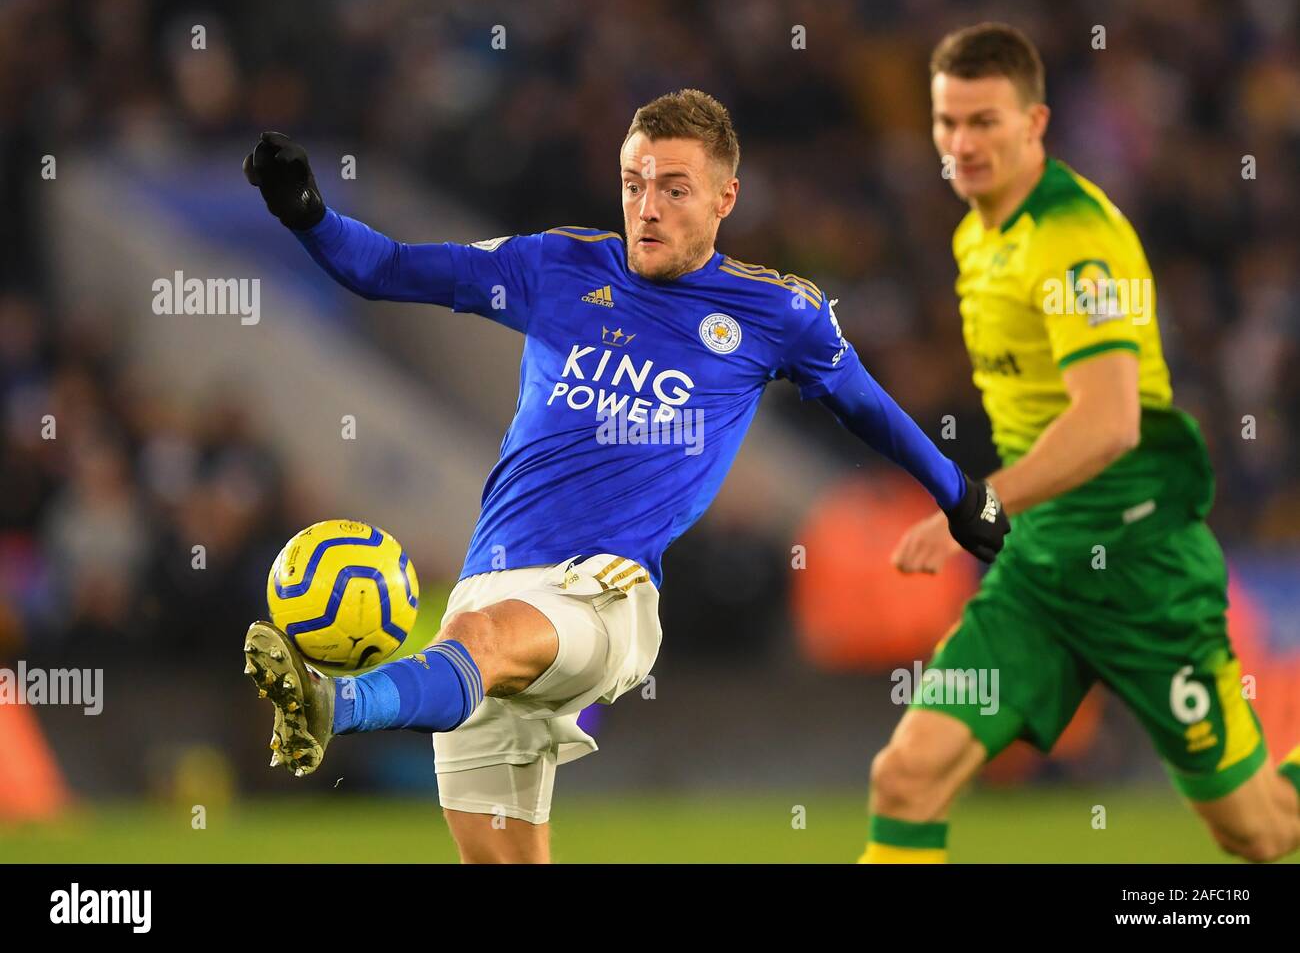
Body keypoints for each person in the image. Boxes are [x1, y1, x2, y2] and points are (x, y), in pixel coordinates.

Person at [242, 89, 1009, 863]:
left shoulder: (774, 313)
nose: (647, 207)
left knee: (477, 638)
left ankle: (336, 703)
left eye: (674, 188)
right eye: (633, 183)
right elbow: (389, 269)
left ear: (723, 197)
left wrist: (960, 495)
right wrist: (305, 211)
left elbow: (868, 409)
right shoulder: (556, 265)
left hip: (605, 592)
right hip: (490, 587)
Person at [863, 23, 1300, 864]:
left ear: (1036, 124)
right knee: (906, 779)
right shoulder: (974, 238)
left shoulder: (1075, 240)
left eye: (985, 121)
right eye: (947, 122)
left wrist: (972, 503)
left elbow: (1109, 424)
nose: (962, 143)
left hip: (1140, 570)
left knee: (1261, 833)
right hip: (1040, 571)